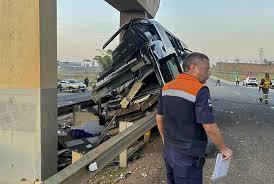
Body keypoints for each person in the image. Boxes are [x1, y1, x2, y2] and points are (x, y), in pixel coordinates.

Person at [156, 52, 232, 184]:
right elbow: (209, 127)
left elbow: (159, 117)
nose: (208, 74)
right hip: (188, 155)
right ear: (193, 67)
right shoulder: (199, 90)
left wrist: (164, 140)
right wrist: (223, 148)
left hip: (169, 151)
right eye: (206, 69)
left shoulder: (167, 87)